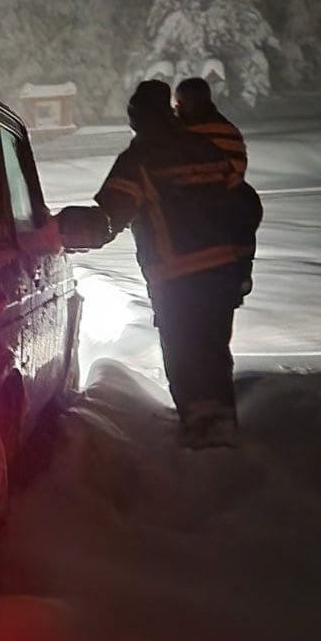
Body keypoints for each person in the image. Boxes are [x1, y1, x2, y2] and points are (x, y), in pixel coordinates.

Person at [90, 80, 248, 448]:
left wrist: (68, 231)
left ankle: (201, 438)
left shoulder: (138, 159)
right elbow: (238, 201)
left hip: (176, 275)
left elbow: (111, 214)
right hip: (222, 270)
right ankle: (223, 427)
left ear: (138, 118)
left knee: (183, 351)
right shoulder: (204, 148)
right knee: (214, 348)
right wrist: (240, 264)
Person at [175, 77, 262, 299]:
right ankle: (242, 270)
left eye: (180, 103)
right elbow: (238, 169)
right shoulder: (228, 130)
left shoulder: (178, 134)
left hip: (188, 213)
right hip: (228, 206)